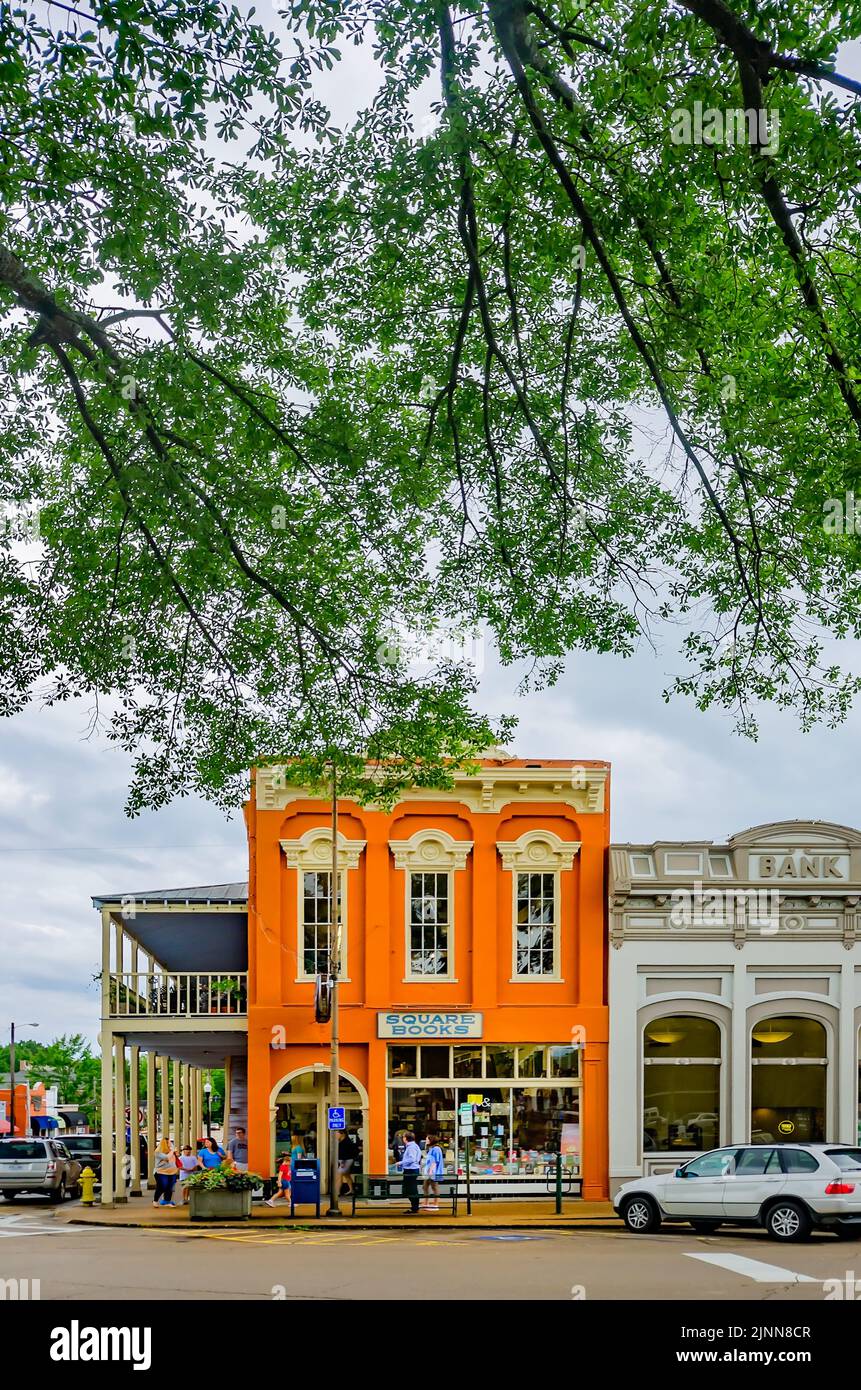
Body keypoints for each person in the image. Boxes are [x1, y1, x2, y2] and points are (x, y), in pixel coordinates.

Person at [399, 1130, 422, 1213]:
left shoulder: (411, 1147)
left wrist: (401, 1163)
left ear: (405, 1138)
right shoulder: (414, 1146)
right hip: (412, 1169)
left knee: (411, 1189)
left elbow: (412, 1159)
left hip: (410, 1170)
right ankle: (415, 1206)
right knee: (410, 1188)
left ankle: (415, 1207)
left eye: (403, 1137)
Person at [152, 1137, 179, 1206]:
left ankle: (167, 1201)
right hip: (161, 1172)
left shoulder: (171, 1150)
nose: (170, 1144)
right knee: (162, 1186)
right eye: (168, 1142)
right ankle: (155, 1201)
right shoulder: (158, 1152)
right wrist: (172, 1151)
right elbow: (166, 1157)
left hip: (172, 1172)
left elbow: (175, 1158)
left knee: (170, 1187)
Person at [421, 1133, 444, 1213]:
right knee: (425, 1187)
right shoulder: (431, 1148)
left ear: (431, 1140)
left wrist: (430, 1171)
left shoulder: (436, 1149)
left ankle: (435, 1204)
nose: (426, 1140)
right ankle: (426, 1202)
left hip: (434, 1172)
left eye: (427, 1139)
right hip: (429, 1172)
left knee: (434, 1187)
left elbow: (435, 1162)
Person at [337, 1129, 358, 1197]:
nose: (336, 1135)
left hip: (346, 1161)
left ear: (342, 1134)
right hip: (346, 1160)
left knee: (339, 1175)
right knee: (346, 1175)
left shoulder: (346, 1142)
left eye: (337, 1133)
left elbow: (345, 1154)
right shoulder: (342, 1141)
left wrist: (342, 1162)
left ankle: (337, 1191)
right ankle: (351, 1190)